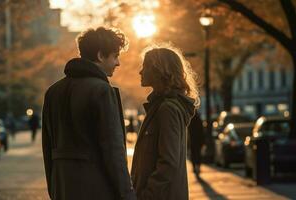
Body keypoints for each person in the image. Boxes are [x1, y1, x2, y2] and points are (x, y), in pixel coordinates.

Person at [42, 27, 136, 200]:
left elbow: (47, 149)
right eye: (115, 56)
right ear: (100, 55)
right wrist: (127, 194)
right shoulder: (101, 90)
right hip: (96, 188)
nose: (118, 63)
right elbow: (113, 149)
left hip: (62, 187)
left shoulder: (52, 92)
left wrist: (54, 188)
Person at [131, 45, 199, 200]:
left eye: (145, 66)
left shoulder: (167, 109)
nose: (140, 72)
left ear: (159, 70)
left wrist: (148, 194)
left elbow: (169, 162)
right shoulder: (161, 107)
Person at [188, 110, 205, 176]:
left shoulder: (191, 120)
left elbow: (189, 131)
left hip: (193, 140)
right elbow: (202, 131)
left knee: (193, 154)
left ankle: (195, 167)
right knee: (198, 154)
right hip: (198, 140)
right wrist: (203, 141)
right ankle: (197, 167)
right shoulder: (199, 120)